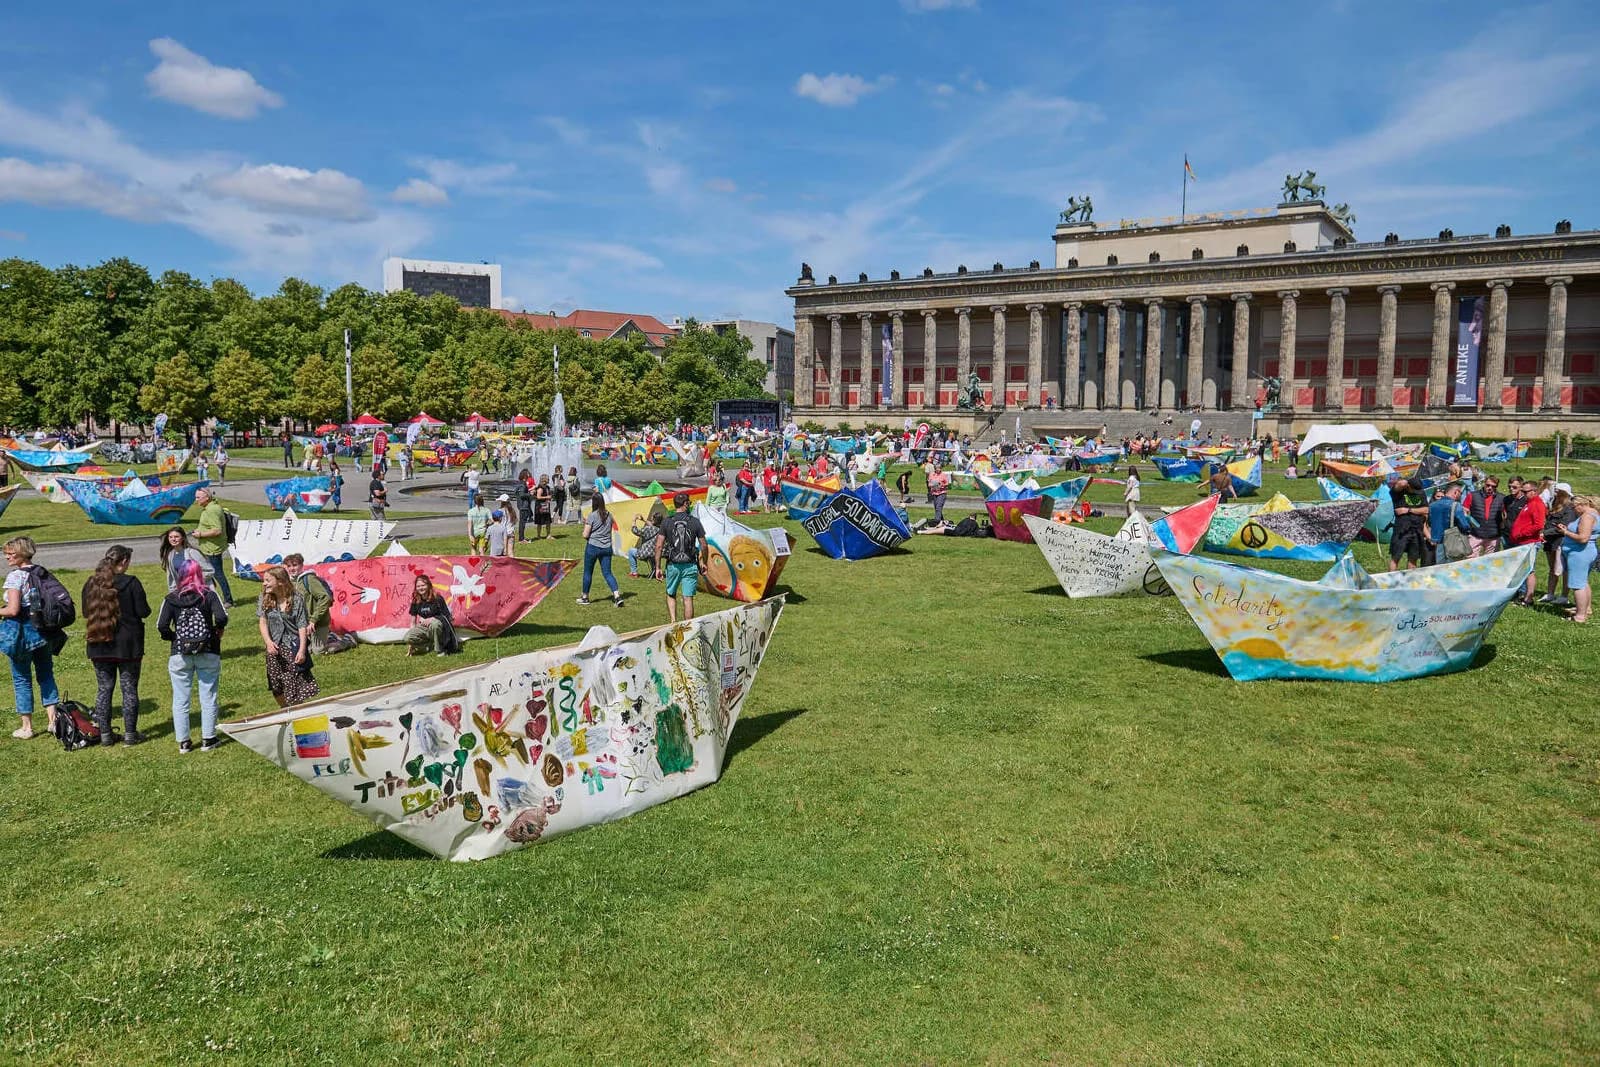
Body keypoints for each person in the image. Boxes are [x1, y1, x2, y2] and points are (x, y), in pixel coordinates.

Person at [157, 558, 228, 753]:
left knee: (180, 698)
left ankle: (184, 741)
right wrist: (216, 631)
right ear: (200, 575)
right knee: (208, 695)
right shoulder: (209, 595)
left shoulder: (171, 598)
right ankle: (208, 738)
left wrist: (173, 637)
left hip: (180, 652)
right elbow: (222, 617)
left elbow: (161, 625)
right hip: (208, 649)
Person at [82, 544, 150, 745]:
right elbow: (143, 611)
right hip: (128, 645)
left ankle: (105, 735)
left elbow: (86, 612)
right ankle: (130, 735)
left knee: (104, 689)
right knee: (129, 688)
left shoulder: (91, 583)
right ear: (124, 562)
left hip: (99, 641)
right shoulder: (131, 583)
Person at [2, 537, 61, 740]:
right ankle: (53, 721)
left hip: (21, 633)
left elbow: (12, 609)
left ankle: (27, 727)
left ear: (19, 554)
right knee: (46, 674)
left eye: (10, 553)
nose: (7, 556)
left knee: (21, 679)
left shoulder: (15, 577)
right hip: (43, 630)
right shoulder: (40, 572)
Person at [256, 565, 318, 708]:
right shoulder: (264, 598)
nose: (264, 584)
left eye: (267, 580)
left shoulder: (296, 599)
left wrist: (302, 650)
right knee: (275, 684)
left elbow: (302, 626)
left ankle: (298, 714)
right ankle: (285, 710)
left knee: (293, 684)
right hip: (274, 647)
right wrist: (268, 642)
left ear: (281, 581)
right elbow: (263, 622)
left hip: (292, 647)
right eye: (264, 580)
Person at [656, 492, 708, 623]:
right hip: (690, 564)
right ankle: (688, 626)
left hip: (673, 565)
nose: (689, 505)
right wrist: (704, 562)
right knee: (687, 597)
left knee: (671, 593)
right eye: (689, 503)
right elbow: (704, 545)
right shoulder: (695, 522)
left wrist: (657, 567)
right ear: (685, 504)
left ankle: (673, 621)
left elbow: (658, 546)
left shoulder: (667, 522)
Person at [283, 553, 348, 655]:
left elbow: (325, 598)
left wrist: (314, 620)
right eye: (289, 566)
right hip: (302, 624)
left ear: (301, 565)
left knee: (319, 651)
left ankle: (346, 641)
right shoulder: (290, 582)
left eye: (295, 565)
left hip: (317, 622)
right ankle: (329, 637)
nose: (291, 568)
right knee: (305, 650)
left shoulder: (309, 579)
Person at [576, 494, 624, 607]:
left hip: (593, 547)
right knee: (608, 573)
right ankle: (617, 596)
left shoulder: (592, 516)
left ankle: (585, 597)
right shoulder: (609, 515)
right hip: (606, 548)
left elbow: (585, 534)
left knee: (588, 572)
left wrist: (587, 524)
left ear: (594, 502)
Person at [1556, 495, 1596, 624]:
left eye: (1574, 507)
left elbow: (1583, 538)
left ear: (1580, 505)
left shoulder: (1587, 516)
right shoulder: (1593, 512)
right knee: (1583, 581)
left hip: (1579, 553)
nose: (1574, 510)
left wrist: (1565, 532)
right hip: (1583, 552)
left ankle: (1580, 616)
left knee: (1577, 584)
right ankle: (1585, 609)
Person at [192, 487, 234, 607]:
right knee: (208, 573)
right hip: (209, 547)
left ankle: (228, 600)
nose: (196, 500)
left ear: (207, 497)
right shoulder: (210, 507)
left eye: (198, 497)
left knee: (218, 574)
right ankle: (209, 595)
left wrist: (200, 534)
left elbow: (217, 530)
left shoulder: (212, 510)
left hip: (213, 548)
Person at [1508, 480, 1547, 606]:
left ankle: (1528, 598)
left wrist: (1521, 533)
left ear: (1534, 491)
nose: (1523, 494)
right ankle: (1524, 595)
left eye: (1525, 491)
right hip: (1523, 542)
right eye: (1522, 491)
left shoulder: (1536, 504)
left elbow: (1538, 525)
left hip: (1529, 542)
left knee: (1529, 570)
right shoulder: (1529, 503)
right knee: (1525, 569)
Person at [405, 575, 459, 656]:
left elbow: (447, 616)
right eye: (418, 586)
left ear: (428, 585)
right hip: (425, 628)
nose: (421, 588)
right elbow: (413, 622)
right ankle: (428, 646)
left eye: (423, 585)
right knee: (407, 637)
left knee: (435, 624)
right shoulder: (415, 600)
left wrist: (432, 619)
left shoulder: (437, 598)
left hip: (439, 626)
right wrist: (411, 644)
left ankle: (441, 650)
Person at [1541, 485, 1576, 607]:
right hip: (1550, 541)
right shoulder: (1554, 504)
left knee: (1563, 569)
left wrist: (1544, 533)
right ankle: (1550, 593)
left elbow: (1563, 526)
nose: (1554, 493)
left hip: (1561, 541)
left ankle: (1564, 596)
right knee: (1552, 568)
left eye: (1557, 491)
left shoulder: (1569, 509)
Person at [1427, 484, 1475, 565]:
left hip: (1438, 542)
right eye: (1460, 493)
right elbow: (1464, 525)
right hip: (1454, 542)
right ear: (1456, 492)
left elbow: (1430, 523)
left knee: (1441, 567)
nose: (1460, 496)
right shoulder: (1456, 505)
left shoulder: (1432, 506)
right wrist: (1468, 527)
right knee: (1454, 568)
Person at [1388, 477, 1428, 572]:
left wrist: (1408, 510)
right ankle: (1390, 581)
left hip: (1417, 529)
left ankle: (1410, 580)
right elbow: (1400, 484)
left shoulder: (1421, 492)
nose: (1416, 492)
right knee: (1396, 557)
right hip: (1402, 529)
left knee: (1413, 558)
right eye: (1414, 489)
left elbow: (1426, 509)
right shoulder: (1398, 493)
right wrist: (1407, 481)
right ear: (1408, 486)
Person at [1463, 476, 1506, 556]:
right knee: (1470, 560)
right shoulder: (1472, 495)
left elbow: (1505, 516)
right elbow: (1464, 511)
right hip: (1475, 534)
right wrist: (1469, 523)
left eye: (1493, 486)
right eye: (1488, 485)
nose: (1490, 488)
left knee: (1491, 562)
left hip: (1494, 535)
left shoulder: (1502, 498)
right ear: (1484, 484)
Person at [159, 526, 209, 591]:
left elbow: (209, 570)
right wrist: (173, 592)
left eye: (176, 537)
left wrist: (194, 582)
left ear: (182, 538)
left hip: (199, 590)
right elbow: (171, 578)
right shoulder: (170, 555)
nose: (173, 539)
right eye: (170, 537)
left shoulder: (193, 553)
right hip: (182, 592)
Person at [629, 512, 661, 579]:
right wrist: (643, 520)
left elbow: (635, 531)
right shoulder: (661, 530)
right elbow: (653, 525)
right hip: (656, 554)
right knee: (651, 554)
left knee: (631, 551)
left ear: (654, 520)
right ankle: (654, 571)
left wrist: (634, 520)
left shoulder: (647, 529)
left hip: (644, 553)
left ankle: (634, 572)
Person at [534, 474, 554, 539]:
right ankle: (538, 535)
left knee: (548, 521)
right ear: (544, 479)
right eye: (547, 478)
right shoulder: (540, 488)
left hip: (546, 506)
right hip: (540, 507)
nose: (549, 479)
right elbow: (538, 497)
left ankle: (548, 535)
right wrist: (547, 497)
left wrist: (549, 498)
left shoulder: (547, 487)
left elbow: (548, 495)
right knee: (539, 522)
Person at [515, 475, 534, 543]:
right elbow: (522, 495)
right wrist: (530, 494)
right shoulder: (522, 485)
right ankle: (521, 539)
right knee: (522, 523)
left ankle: (521, 538)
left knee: (522, 522)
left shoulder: (520, 484)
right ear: (524, 478)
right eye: (527, 478)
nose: (528, 480)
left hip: (522, 506)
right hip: (523, 506)